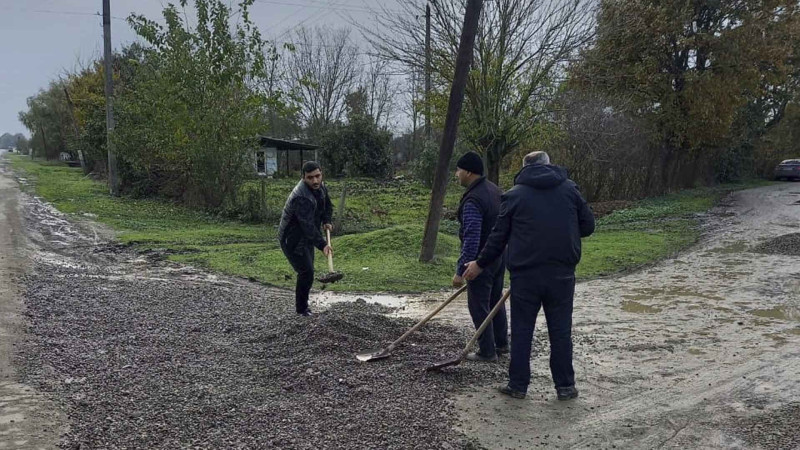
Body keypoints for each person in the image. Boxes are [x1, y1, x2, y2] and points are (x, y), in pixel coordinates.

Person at [463, 151, 595, 401]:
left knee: (522, 330)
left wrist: (479, 264)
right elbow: (588, 226)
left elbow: (497, 238)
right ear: (549, 164)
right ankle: (565, 386)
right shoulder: (570, 190)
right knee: (561, 330)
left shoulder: (515, 196)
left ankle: (518, 385)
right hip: (562, 274)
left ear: (524, 169)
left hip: (526, 276)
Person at [452, 151, 509, 362]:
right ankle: (502, 344)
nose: (456, 174)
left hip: (479, 261)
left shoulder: (473, 199)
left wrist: (461, 271)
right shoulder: (494, 190)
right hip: (498, 256)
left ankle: (487, 351)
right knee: (496, 301)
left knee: (478, 306)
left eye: (458, 170)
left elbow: (472, 237)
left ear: (468, 172)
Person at [278, 161, 333, 316]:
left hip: (306, 236)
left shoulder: (321, 186)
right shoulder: (300, 197)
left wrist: (327, 220)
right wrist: (323, 244)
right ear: (303, 178)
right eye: (310, 178)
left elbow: (327, 205)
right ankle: (302, 310)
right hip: (292, 238)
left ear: (321, 174)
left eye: (317, 176)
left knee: (308, 271)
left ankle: (303, 307)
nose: (315, 181)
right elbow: (307, 226)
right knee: (306, 272)